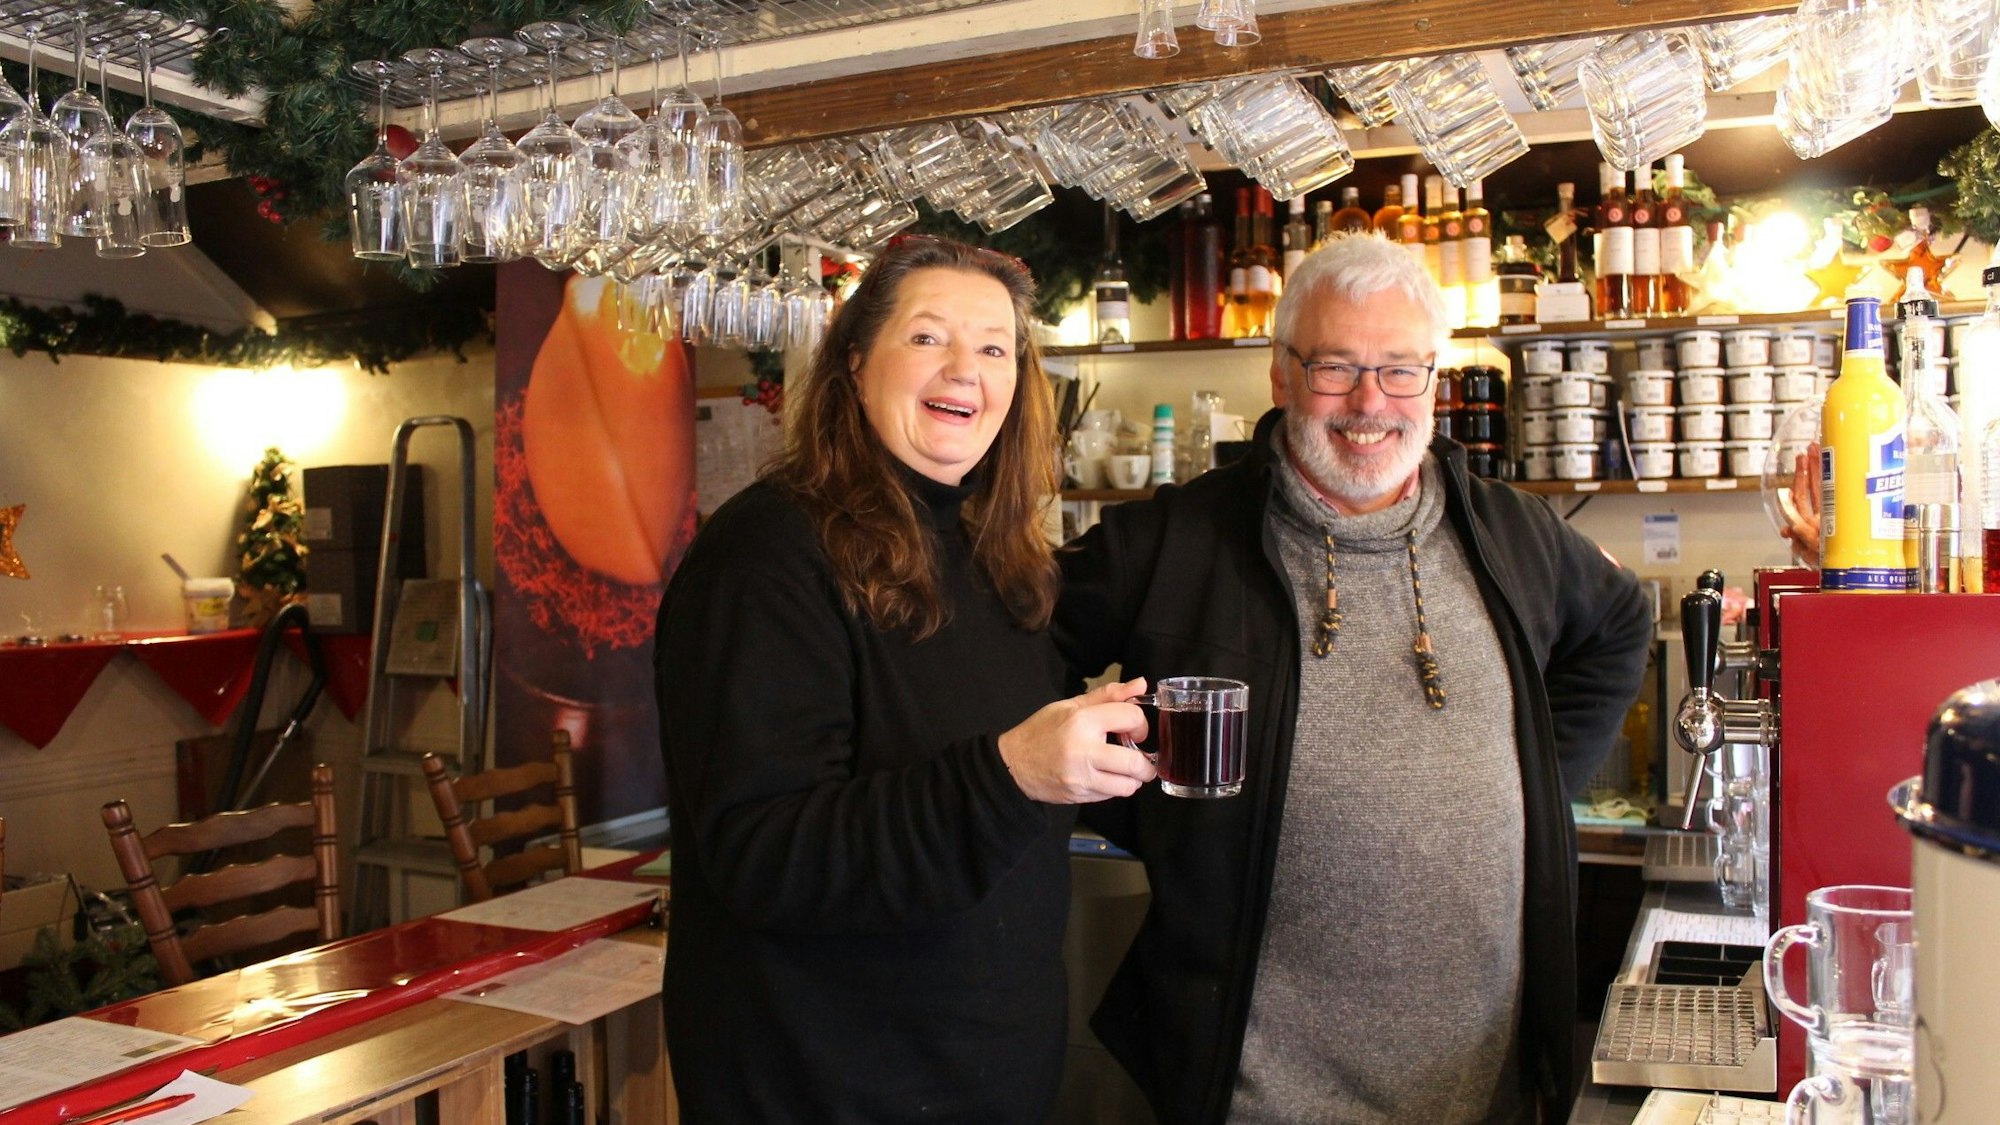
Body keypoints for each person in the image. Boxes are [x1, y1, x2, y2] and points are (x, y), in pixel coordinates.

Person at [1057, 232, 1653, 1124]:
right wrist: (1141, 806)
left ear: (1434, 380)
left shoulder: (1510, 531)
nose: (1371, 402)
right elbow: (1016, 650)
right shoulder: (1176, 541)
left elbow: (1621, 623)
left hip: (1483, 1082)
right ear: (1281, 374)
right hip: (1254, 1092)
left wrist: (1535, 782)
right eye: (1336, 367)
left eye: (1401, 369)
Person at [654, 235, 1155, 1123]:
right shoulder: (767, 555)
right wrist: (1012, 773)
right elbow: (765, 853)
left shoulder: (993, 560)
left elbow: (989, 811)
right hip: (821, 1090)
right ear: (854, 364)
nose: (966, 367)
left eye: (995, 347)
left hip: (985, 1084)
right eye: (928, 337)